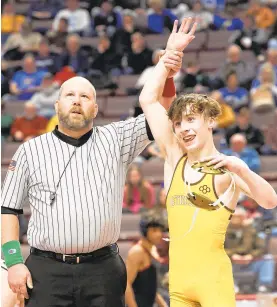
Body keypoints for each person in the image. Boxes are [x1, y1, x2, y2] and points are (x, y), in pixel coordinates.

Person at [1, 52, 180, 307]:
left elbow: (162, 114)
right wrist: (14, 261)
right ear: (56, 105)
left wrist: (167, 75)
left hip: (103, 270)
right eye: (70, 95)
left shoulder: (117, 139)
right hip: (46, 271)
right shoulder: (30, 150)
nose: (77, 101)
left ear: (95, 108)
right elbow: (8, 209)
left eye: (85, 96)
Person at [139, 17, 277, 307]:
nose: (184, 128)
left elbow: (269, 201)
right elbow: (148, 100)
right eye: (178, 123)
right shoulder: (174, 157)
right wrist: (167, 58)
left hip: (213, 281)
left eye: (191, 119)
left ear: (211, 121)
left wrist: (242, 170)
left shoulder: (227, 167)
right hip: (178, 284)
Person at [125, 210, 167, 307]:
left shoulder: (151, 249)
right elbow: (126, 284)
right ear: (145, 231)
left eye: (160, 230)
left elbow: (149, 287)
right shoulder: (137, 251)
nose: (159, 234)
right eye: (154, 231)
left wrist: (163, 304)